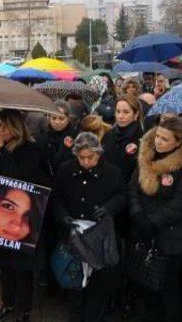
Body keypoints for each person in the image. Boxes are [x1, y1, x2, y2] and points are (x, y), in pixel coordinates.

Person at [128, 116, 182, 321]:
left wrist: (153, 221)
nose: (158, 142)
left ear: (178, 143)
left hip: (172, 237)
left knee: (167, 288)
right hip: (144, 231)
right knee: (145, 285)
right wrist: (137, 214)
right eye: (157, 136)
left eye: (165, 139)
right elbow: (133, 188)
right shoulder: (147, 156)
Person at [0, 109, 49, 322]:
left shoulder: (31, 150)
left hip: (23, 217)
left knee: (22, 268)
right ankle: (8, 304)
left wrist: (1, 152)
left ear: (15, 128)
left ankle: (24, 309)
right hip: (1, 213)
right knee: (5, 265)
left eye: (3, 127)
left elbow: (18, 178)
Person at [53, 133, 126, 322]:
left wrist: (108, 208)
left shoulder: (113, 173)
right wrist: (62, 216)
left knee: (98, 285)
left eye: (90, 157)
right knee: (74, 279)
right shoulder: (65, 170)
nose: (86, 162)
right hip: (74, 237)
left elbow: (122, 196)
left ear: (99, 154)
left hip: (99, 239)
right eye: (81, 157)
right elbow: (56, 197)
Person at [101, 95, 144, 185]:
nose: (120, 116)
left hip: (130, 189)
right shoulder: (108, 135)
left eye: (126, 112)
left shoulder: (142, 138)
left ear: (136, 114)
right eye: (118, 111)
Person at [44, 100, 77, 178]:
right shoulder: (43, 135)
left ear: (68, 118)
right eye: (54, 118)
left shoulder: (76, 136)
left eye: (61, 119)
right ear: (49, 118)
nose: (57, 122)